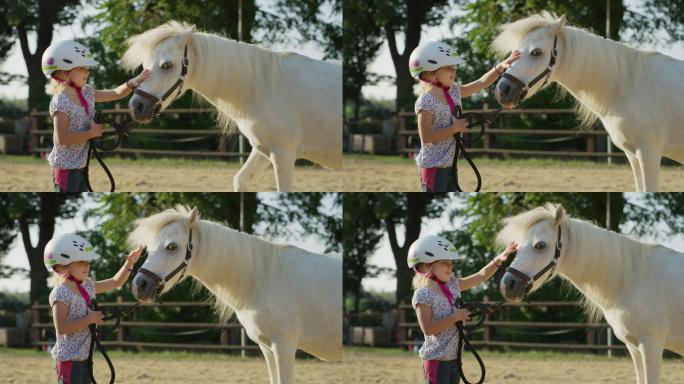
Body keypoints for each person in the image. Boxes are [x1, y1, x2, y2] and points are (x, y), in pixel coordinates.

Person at [408, 41, 520, 192]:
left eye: (454, 68)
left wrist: (500, 67)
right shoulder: (425, 101)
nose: (454, 71)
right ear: (432, 72)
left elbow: (481, 83)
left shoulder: (454, 91)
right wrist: (455, 128)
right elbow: (426, 137)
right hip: (433, 167)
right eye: (448, 68)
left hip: (451, 164)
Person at [41, 40, 150, 192]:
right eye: (82, 68)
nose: (87, 72)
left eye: (87, 68)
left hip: (82, 165)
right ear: (65, 71)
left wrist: (132, 83)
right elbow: (62, 139)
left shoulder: (87, 92)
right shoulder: (60, 102)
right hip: (66, 169)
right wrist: (91, 133)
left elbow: (115, 94)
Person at [409, 235, 517, 383]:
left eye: (451, 263)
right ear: (426, 265)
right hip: (436, 360)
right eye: (444, 262)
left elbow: (480, 276)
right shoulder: (423, 295)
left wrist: (498, 259)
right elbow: (428, 329)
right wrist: (455, 317)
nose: (450, 266)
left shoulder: (453, 285)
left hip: (455, 359)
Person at [45, 233, 143, 383]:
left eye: (87, 262)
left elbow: (115, 282)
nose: (87, 265)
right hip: (69, 360)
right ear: (64, 264)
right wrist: (90, 318)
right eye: (81, 262)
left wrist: (129, 263)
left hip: (85, 357)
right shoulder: (60, 293)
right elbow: (62, 328)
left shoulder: (88, 285)